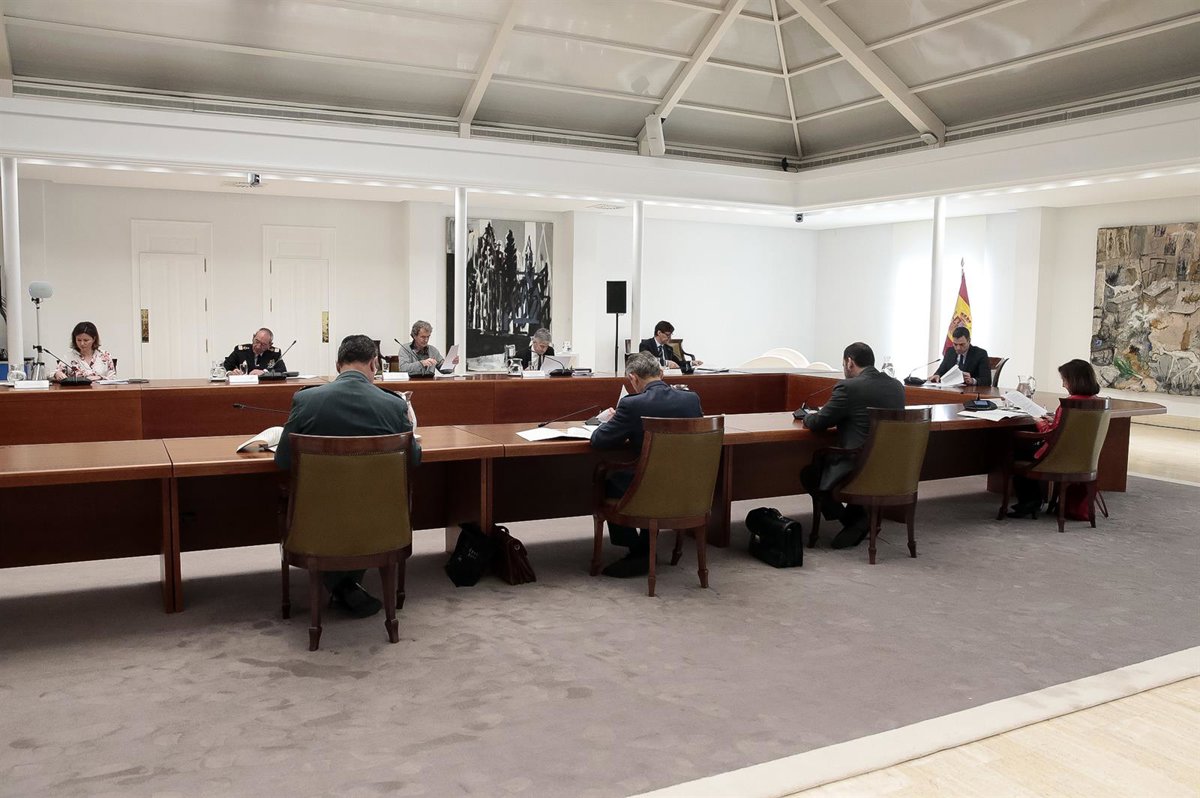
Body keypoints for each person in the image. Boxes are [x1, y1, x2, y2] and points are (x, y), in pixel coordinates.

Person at [275, 334, 422, 618]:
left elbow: (282, 460)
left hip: (318, 519)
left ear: (337, 365)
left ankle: (340, 584)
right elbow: (413, 459)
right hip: (378, 518)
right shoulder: (393, 404)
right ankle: (346, 584)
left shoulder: (306, 400)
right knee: (365, 509)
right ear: (374, 364)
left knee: (321, 508)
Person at [590, 351, 703, 577]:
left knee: (611, 481)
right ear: (661, 373)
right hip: (686, 484)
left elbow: (599, 441)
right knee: (641, 479)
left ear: (633, 378)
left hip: (647, 487)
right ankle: (644, 549)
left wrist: (608, 421)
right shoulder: (691, 399)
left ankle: (639, 549)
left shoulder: (632, 404)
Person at [795, 342, 905, 550]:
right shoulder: (897, 387)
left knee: (809, 474)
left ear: (849, 362)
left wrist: (806, 416)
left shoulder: (848, 387)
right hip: (889, 465)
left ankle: (854, 521)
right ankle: (858, 519)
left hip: (857, 467)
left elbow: (819, 423)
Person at [1007, 359, 1101, 519]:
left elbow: (1051, 435)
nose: (1063, 385)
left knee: (1018, 452)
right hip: (1084, 458)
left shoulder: (1069, 404)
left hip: (1060, 456)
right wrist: (1055, 421)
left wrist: (1040, 421)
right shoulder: (1097, 402)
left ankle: (1030, 502)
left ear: (1074, 381)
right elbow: (1074, 428)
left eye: (1065, 380)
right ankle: (1034, 501)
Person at [51, 321, 116, 382]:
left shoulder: (105, 355)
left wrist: (100, 377)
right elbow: (52, 375)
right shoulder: (69, 357)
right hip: (77, 390)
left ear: (94, 339)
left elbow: (112, 378)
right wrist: (56, 374)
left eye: (86, 340)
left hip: (101, 390)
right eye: (79, 340)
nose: (82, 343)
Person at [638, 320, 702, 370]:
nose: (670, 338)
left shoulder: (668, 348)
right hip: (652, 376)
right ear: (659, 333)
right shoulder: (645, 344)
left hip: (669, 375)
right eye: (668, 335)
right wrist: (666, 363)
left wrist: (691, 363)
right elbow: (647, 361)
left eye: (671, 335)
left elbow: (678, 363)